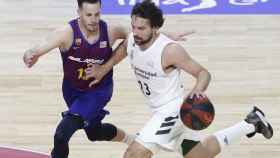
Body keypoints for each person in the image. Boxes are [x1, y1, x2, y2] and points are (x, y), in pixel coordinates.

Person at [86, 1, 274, 158]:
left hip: (173, 111)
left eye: (142, 28)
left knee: (134, 154)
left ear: (155, 28)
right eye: (133, 26)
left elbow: (203, 74)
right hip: (158, 109)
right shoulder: (134, 39)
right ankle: (250, 123)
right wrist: (104, 68)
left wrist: (194, 96)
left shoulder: (170, 51)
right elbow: (124, 48)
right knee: (200, 154)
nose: (135, 32)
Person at [22, 0, 193, 157]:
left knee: (61, 134)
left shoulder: (110, 31)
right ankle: (130, 139)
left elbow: (141, 34)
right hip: (72, 91)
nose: (94, 19)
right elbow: (39, 47)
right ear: (79, 12)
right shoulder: (66, 33)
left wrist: (165, 36)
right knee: (94, 133)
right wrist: (31, 54)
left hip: (98, 91)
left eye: (97, 14)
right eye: (89, 15)